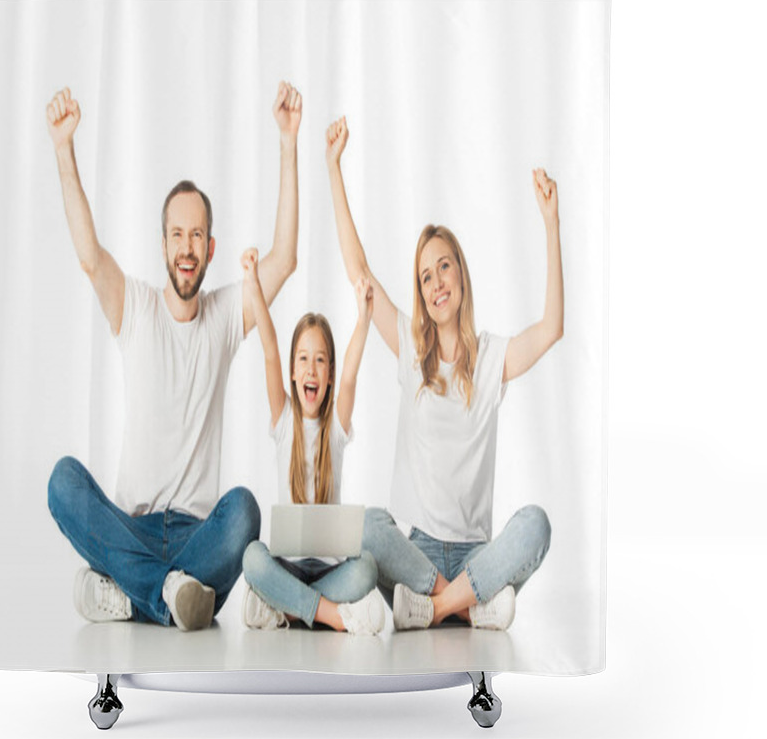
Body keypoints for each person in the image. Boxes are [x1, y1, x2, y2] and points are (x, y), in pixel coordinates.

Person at [45, 82, 303, 631]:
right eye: (177, 235)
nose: (187, 248)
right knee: (63, 481)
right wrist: (64, 148)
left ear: (210, 249)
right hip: (130, 523)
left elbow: (282, 261)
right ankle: (170, 594)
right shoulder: (134, 306)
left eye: (197, 237)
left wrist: (287, 144)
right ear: (163, 244)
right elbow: (90, 258)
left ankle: (126, 590)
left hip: (198, 532)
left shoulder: (225, 316)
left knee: (245, 513)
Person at [325, 116, 559, 631]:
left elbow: (551, 329)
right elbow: (360, 274)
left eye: (444, 267)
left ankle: (433, 610)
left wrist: (550, 222)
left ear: (461, 273)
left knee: (536, 524)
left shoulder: (493, 356)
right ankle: (464, 605)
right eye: (425, 276)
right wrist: (333, 168)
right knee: (366, 527)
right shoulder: (411, 346)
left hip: (479, 557)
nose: (436, 282)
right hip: (420, 556)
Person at [238, 248, 385, 635]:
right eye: (303, 359)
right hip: (285, 562)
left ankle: (285, 608)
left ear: (330, 373)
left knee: (367, 567)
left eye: (320, 360)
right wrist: (253, 285)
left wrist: (364, 319)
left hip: (329, 568)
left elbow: (351, 377)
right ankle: (333, 616)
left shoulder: (335, 426)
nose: (311, 368)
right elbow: (269, 348)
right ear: (291, 372)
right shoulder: (284, 419)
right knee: (253, 557)